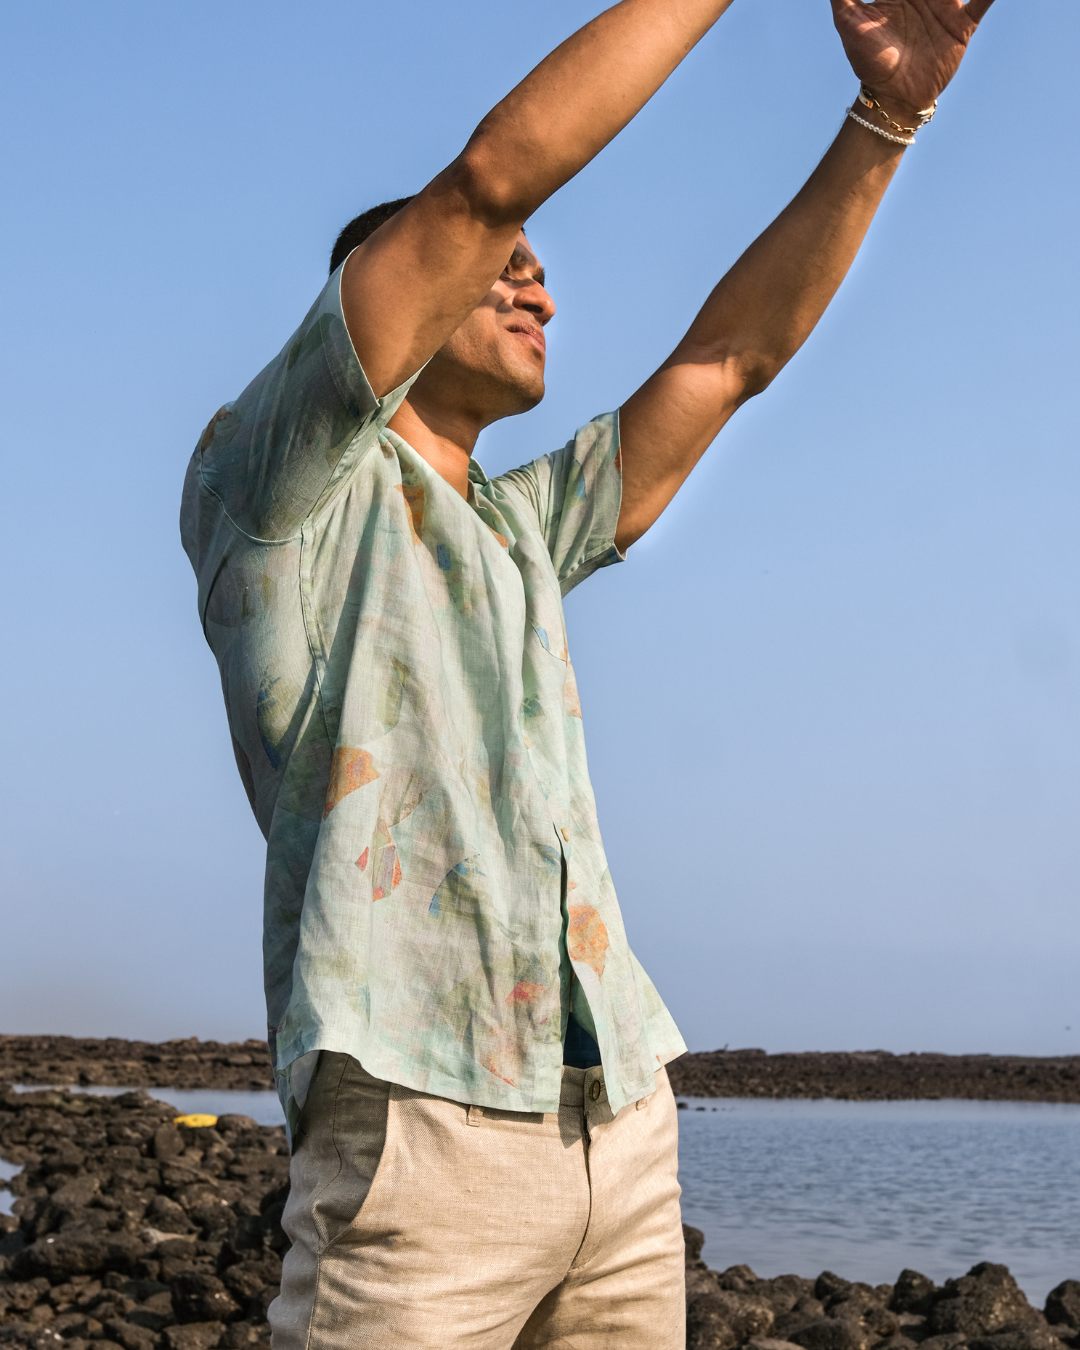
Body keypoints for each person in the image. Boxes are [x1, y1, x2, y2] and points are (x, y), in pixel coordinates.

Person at [180, 0, 996, 1344]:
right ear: (387, 296)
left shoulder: (516, 526)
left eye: (539, 269)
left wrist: (888, 119)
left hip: (616, 1124)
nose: (537, 284)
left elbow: (732, 361)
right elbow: (494, 176)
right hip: (422, 1131)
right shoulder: (278, 486)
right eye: (500, 266)